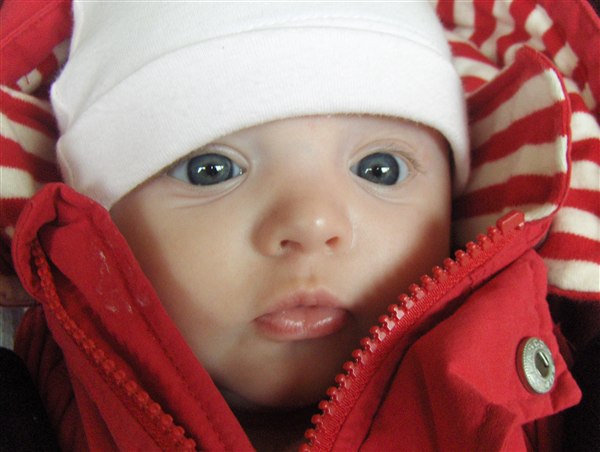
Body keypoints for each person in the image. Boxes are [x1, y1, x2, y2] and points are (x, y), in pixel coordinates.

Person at [1, 1, 598, 450]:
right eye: (212, 170)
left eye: (380, 169)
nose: (312, 223)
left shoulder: (563, 398)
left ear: (455, 204)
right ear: (103, 228)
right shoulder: (29, 410)